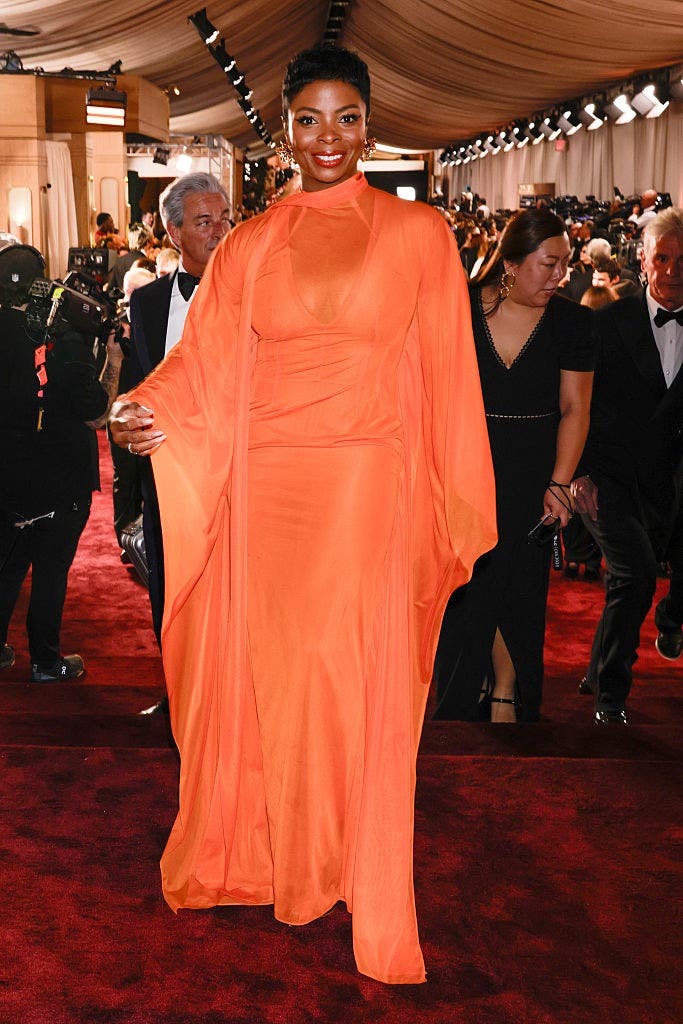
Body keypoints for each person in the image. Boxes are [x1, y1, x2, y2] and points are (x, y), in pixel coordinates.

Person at [109, 46, 496, 984]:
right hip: (266, 489)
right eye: (310, 120)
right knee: (278, 676)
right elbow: (200, 363)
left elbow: (449, 370)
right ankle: (280, 856)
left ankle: (343, 862)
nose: (330, 138)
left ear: (370, 126)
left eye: (347, 118)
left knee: (345, 671)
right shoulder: (250, 244)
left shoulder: (419, 235)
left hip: (365, 485)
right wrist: (141, 410)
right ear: (284, 131)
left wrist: (448, 495)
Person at [434, 208, 595, 723]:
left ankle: (506, 688)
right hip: (465, 468)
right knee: (468, 589)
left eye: (565, 263)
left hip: (533, 475)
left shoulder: (573, 323)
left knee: (519, 590)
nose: (560, 275)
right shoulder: (458, 308)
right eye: (550, 263)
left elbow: (575, 409)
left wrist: (560, 484)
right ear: (511, 262)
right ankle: (464, 693)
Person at [573, 208, 683, 723]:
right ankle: (611, 694)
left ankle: (602, 667)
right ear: (642, 260)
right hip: (608, 477)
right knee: (635, 574)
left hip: (672, 482)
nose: (673, 271)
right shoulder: (606, 324)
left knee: (631, 578)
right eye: (662, 258)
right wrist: (576, 473)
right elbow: (575, 404)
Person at [0, 257, 122, 679]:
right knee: (50, 570)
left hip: (8, 475)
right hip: (61, 477)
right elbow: (96, 414)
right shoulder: (63, 341)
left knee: (9, 564)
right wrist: (112, 359)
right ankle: (46, 661)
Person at [123, 172, 231, 648]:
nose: (220, 231)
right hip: (167, 484)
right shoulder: (146, 302)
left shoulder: (257, 295)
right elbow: (135, 388)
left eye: (225, 219)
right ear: (173, 233)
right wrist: (123, 424)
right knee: (170, 606)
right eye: (205, 222)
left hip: (234, 482)